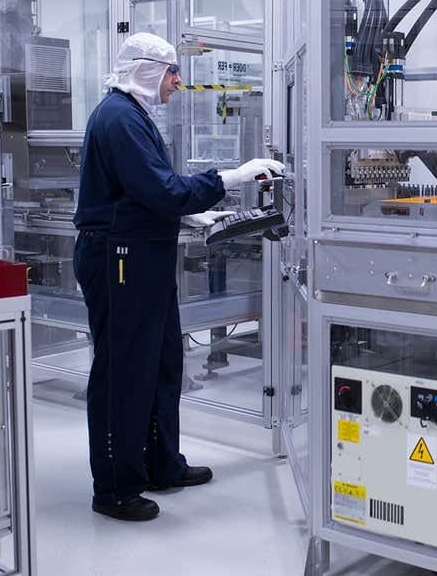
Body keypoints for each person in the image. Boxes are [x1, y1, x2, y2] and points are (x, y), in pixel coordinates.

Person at [73, 32, 283, 521]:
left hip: (143, 253)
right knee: (124, 369)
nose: (177, 83)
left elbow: (142, 194)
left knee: (164, 359)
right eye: (172, 72)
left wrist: (188, 218)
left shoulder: (133, 116)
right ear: (147, 70)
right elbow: (161, 191)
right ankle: (115, 488)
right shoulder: (119, 118)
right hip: (118, 258)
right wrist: (232, 177)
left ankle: (161, 463)